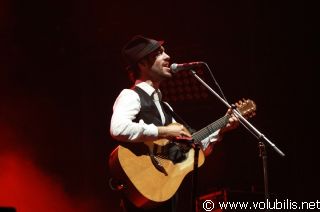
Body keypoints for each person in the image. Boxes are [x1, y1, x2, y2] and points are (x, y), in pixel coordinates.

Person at [109, 35, 239, 212]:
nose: (168, 56)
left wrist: (222, 128)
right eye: (159, 53)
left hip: (166, 195)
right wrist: (164, 131)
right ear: (142, 64)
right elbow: (118, 128)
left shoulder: (165, 106)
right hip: (143, 192)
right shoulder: (131, 95)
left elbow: (191, 149)